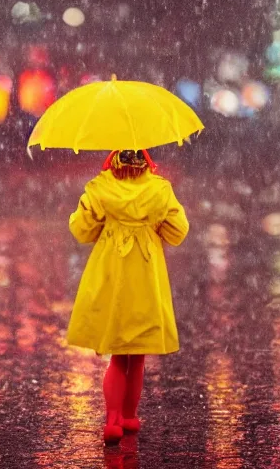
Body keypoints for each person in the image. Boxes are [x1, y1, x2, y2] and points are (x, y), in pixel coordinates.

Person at [66, 149, 190, 444]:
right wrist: (154, 223)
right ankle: (130, 417)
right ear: (145, 161)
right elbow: (178, 231)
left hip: (113, 276)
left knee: (118, 355)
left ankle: (112, 420)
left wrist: (103, 223)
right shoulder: (159, 190)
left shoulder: (100, 188)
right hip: (146, 277)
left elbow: (80, 229)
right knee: (138, 355)